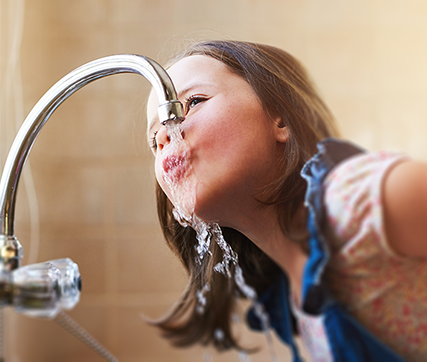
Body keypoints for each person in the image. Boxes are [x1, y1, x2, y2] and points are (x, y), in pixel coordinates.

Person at [145, 40, 427, 361]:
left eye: (193, 102)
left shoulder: (357, 201)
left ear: (280, 117)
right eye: (155, 140)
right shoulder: (288, 295)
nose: (168, 134)